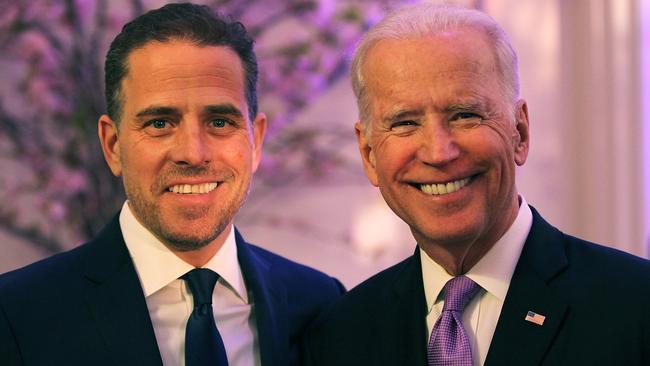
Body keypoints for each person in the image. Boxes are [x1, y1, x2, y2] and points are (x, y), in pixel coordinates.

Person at [303, 3, 650, 366]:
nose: (439, 152)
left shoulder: (636, 307)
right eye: (405, 123)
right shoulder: (340, 336)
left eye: (465, 115)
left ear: (520, 132)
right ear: (369, 153)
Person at [0, 3, 344, 366]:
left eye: (220, 122)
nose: (193, 154)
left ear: (256, 141)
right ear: (113, 146)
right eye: (160, 123)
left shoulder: (321, 305)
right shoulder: (17, 316)